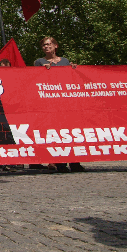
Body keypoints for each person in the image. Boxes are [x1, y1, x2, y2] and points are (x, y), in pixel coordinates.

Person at [35, 36, 84, 174]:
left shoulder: (65, 61)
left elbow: (71, 80)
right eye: (44, 45)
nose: (46, 47)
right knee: (57, 134)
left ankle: (75, 162)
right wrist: (42, 72)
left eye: (49, 44)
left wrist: (74, 70)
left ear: (56, 46)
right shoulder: (39, 62)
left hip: (66, 103)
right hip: (50, 104)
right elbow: (34, 80)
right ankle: (60, 162)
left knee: (71, 132)